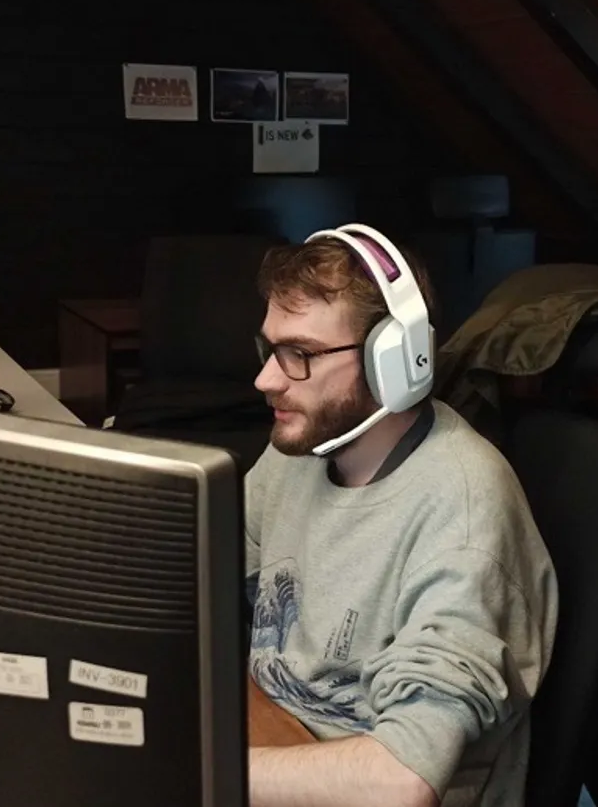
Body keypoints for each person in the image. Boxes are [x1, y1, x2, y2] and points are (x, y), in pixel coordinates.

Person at [243, 223, 558, 807]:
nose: (266, 380)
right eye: (270, 348)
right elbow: (202, 573)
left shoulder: (463, 521)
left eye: (300, 355)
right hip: (273, 741)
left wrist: (196, 768)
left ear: (396, 361)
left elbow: (401, 779)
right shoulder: (304, 444)